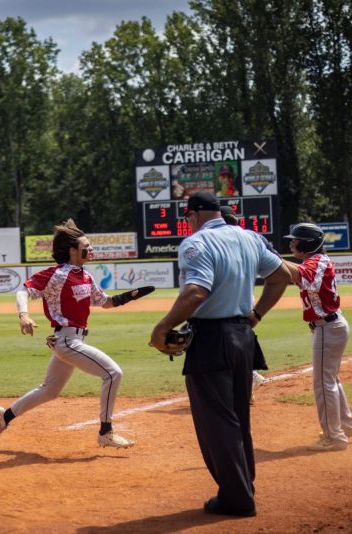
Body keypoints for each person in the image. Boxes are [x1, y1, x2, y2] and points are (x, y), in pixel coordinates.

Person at [150, 192, 290, 517]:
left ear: (194, 215)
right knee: (239, 419)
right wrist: (256, 315)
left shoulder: (196, 242)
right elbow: (282, 276)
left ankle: (237, 498)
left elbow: (197, 290)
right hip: (244, 335)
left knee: (218, 423)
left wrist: (163, 326)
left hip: (212, 337)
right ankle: (243, 487)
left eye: (187, 217)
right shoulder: (249, 237)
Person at [0, 219, 153, 449]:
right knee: (113, 373)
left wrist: (129, 296)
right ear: (72, 251)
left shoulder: (85, 275)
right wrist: (23, 315)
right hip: (66, 340)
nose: (91, 249)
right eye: (86, 246)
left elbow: (105, 302)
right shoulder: (57, 275)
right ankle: (105, 432)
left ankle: (4, 417)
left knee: (49, 390)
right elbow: (23, 290)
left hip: (71, 340)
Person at [281, 223, 352, 452]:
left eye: (295, 240)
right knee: (331, 379)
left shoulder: (315, 262)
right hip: (329, 327)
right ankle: (346, 424)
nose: (292, 243)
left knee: (323, 384)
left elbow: (298, 274)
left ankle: (334, 437)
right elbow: (295, 274)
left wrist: (269, 257)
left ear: (307, 243)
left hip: (327, 328)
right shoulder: (315, 261)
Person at [219, 206, 269, 402]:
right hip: (246, 297)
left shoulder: (222, 241)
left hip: (233, 299)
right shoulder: (252, 238)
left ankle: (251, 377)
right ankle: (249, 381)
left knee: (227, 342)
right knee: (240, 340)